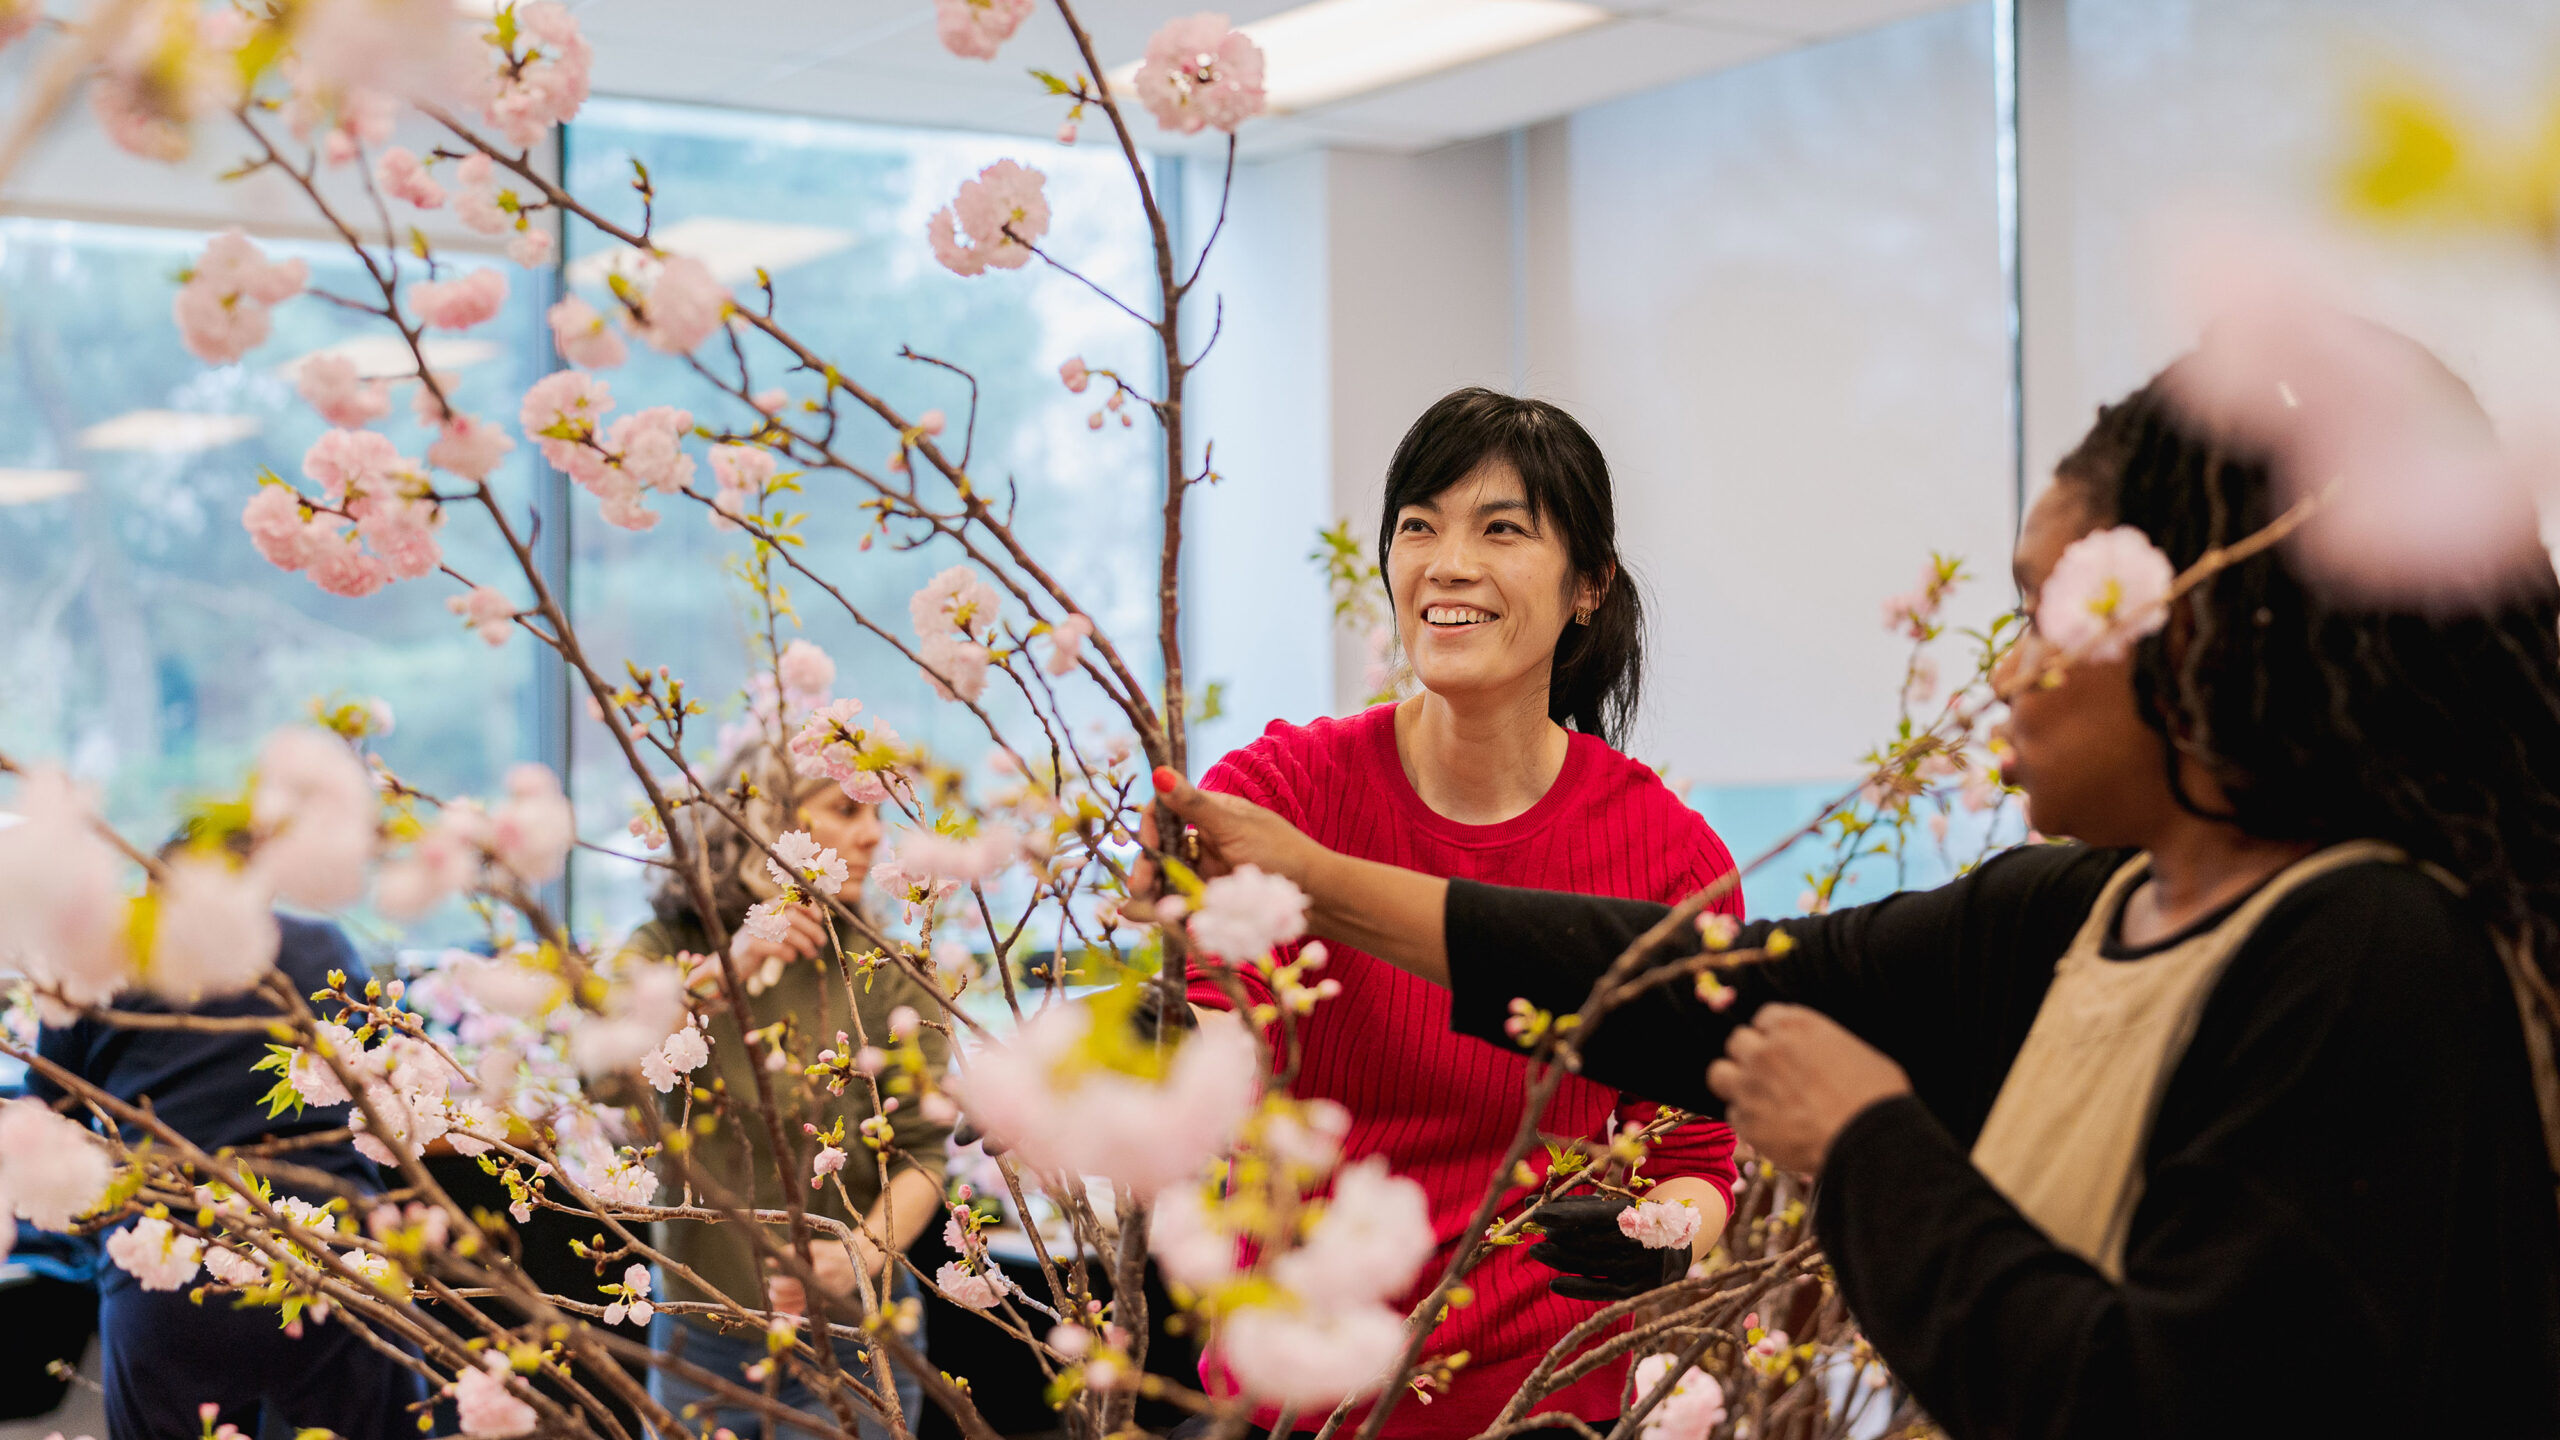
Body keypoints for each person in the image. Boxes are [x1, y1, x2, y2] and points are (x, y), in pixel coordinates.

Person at [1152, 360, 2560, 1438]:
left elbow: (2151, 1395)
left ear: (2204, 632)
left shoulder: (2366, 955)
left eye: (2042, 615)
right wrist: (1324, 888)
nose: (2005, 672)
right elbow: (1722, 978)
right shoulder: (2079, 913)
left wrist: (1868, 1147)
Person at [1177, 389, 1746, 1434]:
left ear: (1587, 585)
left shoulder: (1667, 856)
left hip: (1540, 1409)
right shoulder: (1278, 793)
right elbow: (1218, 1042)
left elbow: (1694, 1163)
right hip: (1289, 1396)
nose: (1447, 562)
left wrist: (1661, 1235)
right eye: (1418, 525)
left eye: (1501, 529)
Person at [620, 738, 954, 1440]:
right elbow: (608, 1076)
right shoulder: (665, 945)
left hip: (854, 1342)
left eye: (878, 814)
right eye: (846, 809)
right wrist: (728, 968)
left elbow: (925, 1152)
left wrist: (860, 1254)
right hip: (700, 1335)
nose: (872, 835)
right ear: (770, 820)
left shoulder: (885, 969)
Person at [29, 901, 427, 1440]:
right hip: (337, 1250)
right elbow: (379, 1080)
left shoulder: (99, 962)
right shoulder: (321, 943)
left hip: (167, 1256)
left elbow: (50, 1122)